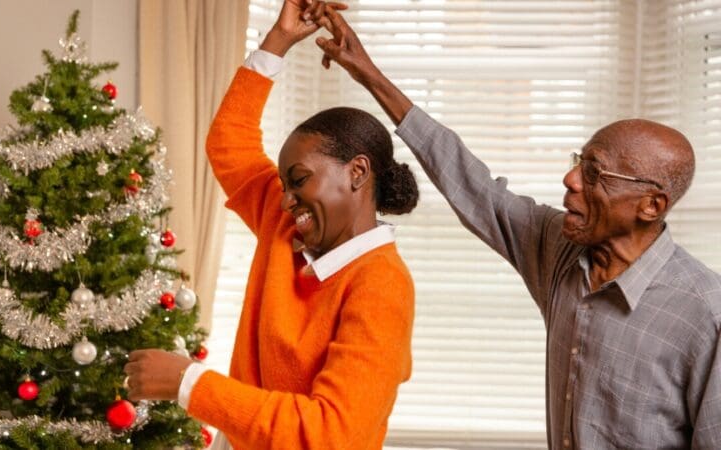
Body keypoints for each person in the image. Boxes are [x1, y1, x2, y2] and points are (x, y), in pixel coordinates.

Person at [309, 4, 721, 449]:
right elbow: (472, 184)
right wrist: (368, 73)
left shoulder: (706, 315)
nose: (570, 180)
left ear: (651, 205)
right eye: (578, 162)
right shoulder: (560, 251)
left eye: (595, 173)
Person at [123, 2, 419, 449]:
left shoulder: (382, 286)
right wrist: (278, 39)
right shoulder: (288, 226)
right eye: (283, 184)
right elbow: (229, 142)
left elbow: (328, 434)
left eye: (298, 180)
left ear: (357, 172)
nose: (283, 199)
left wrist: (189, 382)